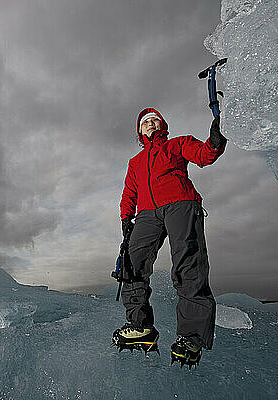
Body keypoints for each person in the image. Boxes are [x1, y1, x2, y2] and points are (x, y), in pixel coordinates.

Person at [111, 107, 227, 367]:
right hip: (146, 213)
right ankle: (140, 326)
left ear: (162, 126)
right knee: (131, 263)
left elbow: (203, 154)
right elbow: (129, 192)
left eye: (155, 121)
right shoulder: (135, 162)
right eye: (146, 123)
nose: (151, 124)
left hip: (181, 204)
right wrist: (125, 218)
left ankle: (191, 337)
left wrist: (215, 143)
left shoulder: (177, 144)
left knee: (187, 264)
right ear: (140, 131)